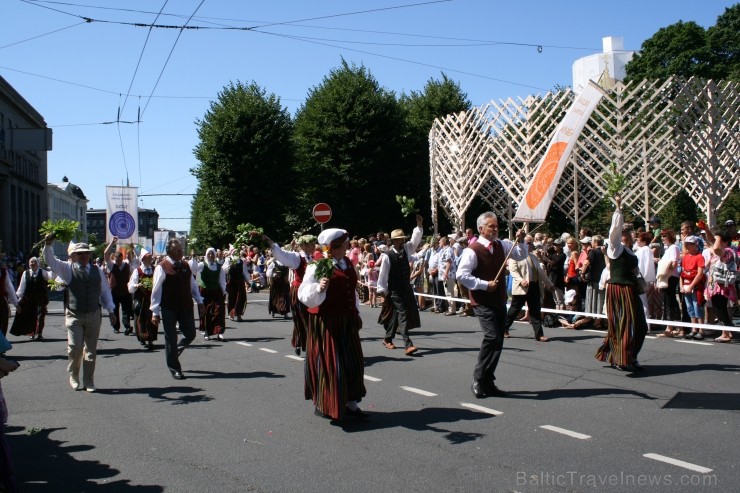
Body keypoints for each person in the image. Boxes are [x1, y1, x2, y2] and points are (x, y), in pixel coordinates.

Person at [298, 228, 367, 421]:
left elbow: (351, 291)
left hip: (347, 320)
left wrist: (356, 313)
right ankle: (326, 404)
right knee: (332, 366)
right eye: (345, 243)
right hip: (327, 322)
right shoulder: (318, 266)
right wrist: (318, 288)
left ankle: (352, 404)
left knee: (353, 362)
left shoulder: (346, 263)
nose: (348, 245)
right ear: (336, 246)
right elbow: (303, 293)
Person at [457, 212, 527, 398]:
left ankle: (488, 380)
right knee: (492, 336)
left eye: (496, 226)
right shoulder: (472, 250)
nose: (495, 229)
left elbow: (520, 255)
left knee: (498, 340)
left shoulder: (502, 244)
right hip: (482, 301)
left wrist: (520, 240)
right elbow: (461, 275)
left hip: (499, 299)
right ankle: (478, 378)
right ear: (481, 229)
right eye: (491, 226)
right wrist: (484, 285)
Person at [43, 238, 116, 392]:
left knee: (90, 350)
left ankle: (89, 381)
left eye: (86, 254)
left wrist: (110, 310)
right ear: (74, 255)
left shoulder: (97, 271)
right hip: (74, 314)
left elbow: (104, 292)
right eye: (80, 254)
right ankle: (74, 375)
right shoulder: (67, 269)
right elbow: (51, 261)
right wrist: (48, 245)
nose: (84, 257)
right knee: (75, 348)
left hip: (93, 314)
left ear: (89, 255)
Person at [595, 196, 648, 372]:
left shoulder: (631, 251)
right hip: (618, 289)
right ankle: (621, 358)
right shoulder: (615, 247)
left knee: (640, 324)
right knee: (622, 324)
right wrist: (618, 208)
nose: (631, 235)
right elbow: (614, 230)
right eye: (627, 232)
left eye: (631, 232)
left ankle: (630, 355)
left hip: (631, 289)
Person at [150, 238, 205, 380]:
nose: (181, 251)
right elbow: (156, 291)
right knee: (171, 337)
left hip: (186, 305)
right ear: (169, 252)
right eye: (177, 250)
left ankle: (174, 352)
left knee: (191, 334)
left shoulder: (185, 265)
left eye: (181, 249)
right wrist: (155, 312)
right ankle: (175, 368)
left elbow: (192, 285)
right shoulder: (162, 267)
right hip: (169, 307)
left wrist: (199, 301)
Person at [377, 214, 425, 355]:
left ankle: (387, 338)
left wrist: (419, 225)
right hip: (394, 290)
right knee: (403, 313)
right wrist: (382, 292)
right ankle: (407, 344)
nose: (401, 241)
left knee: (397, 314)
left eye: (402, 239)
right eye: (398, 240)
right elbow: (383, 276)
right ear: (393, 241)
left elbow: (415, 240)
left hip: (405, 288)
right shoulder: (387, 256)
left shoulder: (407, 249)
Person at [264, 234, 318, 355]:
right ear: (304, 246)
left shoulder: (315, 258)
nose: (314, 246)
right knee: (302, 318)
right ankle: (306, 344)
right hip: (299, 291)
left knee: (312, 319)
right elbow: (282, 255)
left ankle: (304, 342)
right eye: (311, 244)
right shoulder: (297, 257)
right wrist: (269, 241)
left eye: (314, 244)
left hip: (312, 292)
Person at [504, 242, 555, 341]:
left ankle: (539, 335)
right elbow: (513, 271)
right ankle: (504, 328)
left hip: (534, 286)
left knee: (535, 310)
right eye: (527, 243)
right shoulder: (515, 256)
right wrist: (521, 280)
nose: (530, 246)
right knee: (515, 310)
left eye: (530, 244)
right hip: (522, 287)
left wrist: (550, 284)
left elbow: (540, 272)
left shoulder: (533, 256)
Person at [704, 230, 737, 342]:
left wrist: (718, 237)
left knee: (720, 308)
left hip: (722, 285)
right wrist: (707, 230)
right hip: (715, 284)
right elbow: (712, 242)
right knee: (718, 308)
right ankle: (726, 332)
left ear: (724, 241)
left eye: (718, 239)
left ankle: (728, 330)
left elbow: (716, 248)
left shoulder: (727, 251)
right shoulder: (721, 250)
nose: (715, 241)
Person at [10, 257, 52, 340]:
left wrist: (52, 267)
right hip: (29, 298)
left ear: (38, 263)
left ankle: (39, 333)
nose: (32, 264)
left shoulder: (42, 272)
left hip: (40, 298)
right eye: (31, 262)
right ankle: (32, 332)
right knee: (31, 316)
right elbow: (22, 286)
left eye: (34, 262)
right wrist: (19, 299)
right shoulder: (26, 273)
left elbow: (51, 278)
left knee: (41, 316)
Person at [127, 249, 158, 350]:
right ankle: (143, 337)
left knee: (152, 319)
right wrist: (137, 285)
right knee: (141, 319)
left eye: (150, 257)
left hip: (152, 299)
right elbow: (130, 286)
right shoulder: (137, 271)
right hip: (141, 300)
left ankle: (150, 340)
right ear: (143, 259)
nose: (151, 258)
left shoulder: (155, 269)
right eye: (149, 257)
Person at [196, 248, 227, 341]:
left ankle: (219, 331)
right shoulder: (202, 265)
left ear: (215, 255)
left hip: (216, 291)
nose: (210, 256)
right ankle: (207, 332)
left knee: (219, 310)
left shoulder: (218, 266)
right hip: (205, 291)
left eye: (212, 254)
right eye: (209, 254)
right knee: (206, 312)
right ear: (206, 255)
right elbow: (193, 270)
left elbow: (222, 280)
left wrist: (224, 291)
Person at [105, 238, 134, 335]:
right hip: (114, 292)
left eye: (120, 260)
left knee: (126, 310)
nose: (119, 261)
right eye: (117, 260)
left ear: (123, 258)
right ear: (114, 259)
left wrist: (131, 248)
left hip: (125, 292)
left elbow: (132, 259)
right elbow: (105, 254)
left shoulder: (127, 265)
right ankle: (116, 327)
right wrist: (112, 243)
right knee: (115, 309)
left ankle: (127, 326)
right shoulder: (111, 265)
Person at [680, 235, 706, 340]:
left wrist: (691, 285)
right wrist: (682, 286)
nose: (687, 246)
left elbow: (700, 274)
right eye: (686, 244)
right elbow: (682, 273)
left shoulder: (700, 257)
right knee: (689, 307)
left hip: (695, 285)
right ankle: (694, 329)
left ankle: (701, 330)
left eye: (689, 244)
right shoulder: (685, 257)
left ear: (695, 245)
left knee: (697, 306)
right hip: (686, 284)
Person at [224, 251, 249, 321]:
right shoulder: (228, 259)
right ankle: (231, 314)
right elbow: (224, 269)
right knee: (232, 298)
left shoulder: (241, 261)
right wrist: (230, 265)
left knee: (241, 298)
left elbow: (244, 271)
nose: (236, 253)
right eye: (234, 252)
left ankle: (239, 314)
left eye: (237, 252)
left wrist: (247, 280)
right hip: (232, 281)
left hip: (240, 281)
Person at [0, 263, 19, 337]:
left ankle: (1, 342)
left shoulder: (3, 271)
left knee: (2, 324)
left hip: (1, 301)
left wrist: (16, 303)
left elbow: (9, 287)